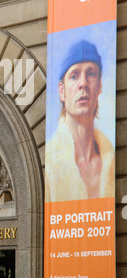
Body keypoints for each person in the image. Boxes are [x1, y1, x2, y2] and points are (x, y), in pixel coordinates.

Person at [45, 40, 115, 202]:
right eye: (74, 75)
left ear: (99, 87)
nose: (83, 83)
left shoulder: (110, 159)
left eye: (91, 74)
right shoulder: (51, 162)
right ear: (62, 91)